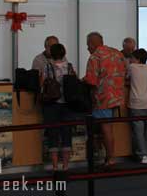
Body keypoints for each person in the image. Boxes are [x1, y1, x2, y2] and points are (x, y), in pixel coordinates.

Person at [83, 32, 125, 168]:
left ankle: (110, 158)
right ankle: (108, 157)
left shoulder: (95, 57)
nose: (87, 49)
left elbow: (91, 80)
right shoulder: (117, 53)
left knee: (106, 129)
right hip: (117, 96)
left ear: (91, 44)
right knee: (107, 128)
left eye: (87, 46)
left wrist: (82, 80)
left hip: (103, 98)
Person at [40, 43, 76, 172]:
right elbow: (75, 83)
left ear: (52, 54)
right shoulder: (70, 67)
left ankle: (55, 166)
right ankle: (66, 166)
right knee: (67, 133)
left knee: (52, 134)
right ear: (64, 53)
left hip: (51, 104)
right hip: (67, 104)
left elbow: (42, 84)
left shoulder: (48, 67)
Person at [127, 48, 147, 164]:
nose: (130, 60)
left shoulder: (132, 67)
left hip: (136, 103)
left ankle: (143, 155)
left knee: (138, 130)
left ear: (137, 59)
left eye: (132, 58)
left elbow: (126, 78)